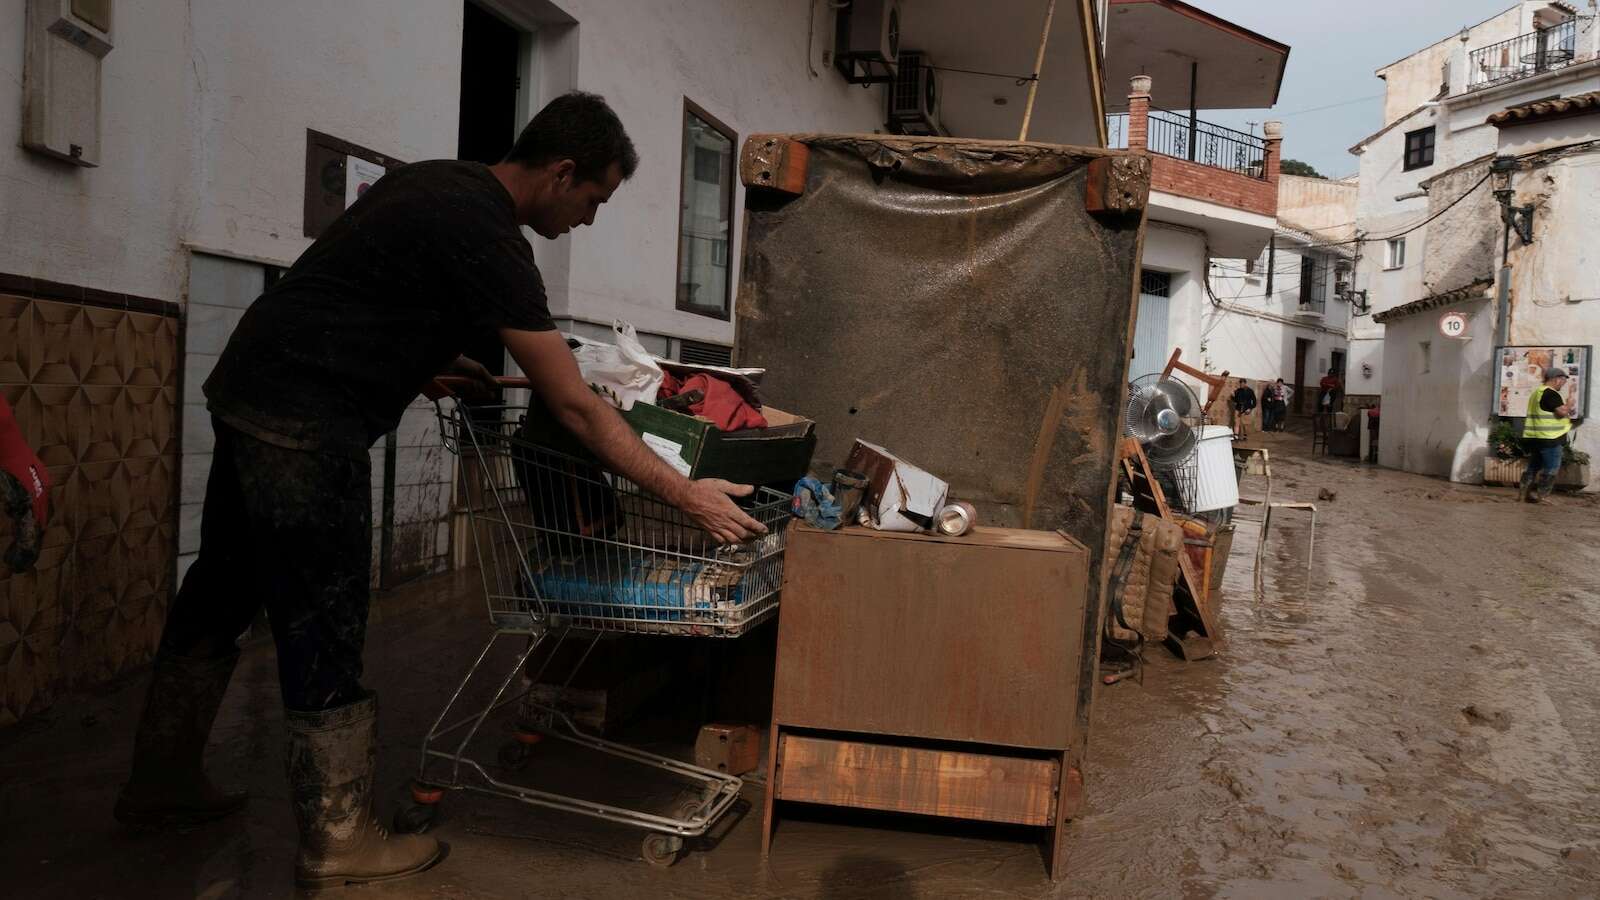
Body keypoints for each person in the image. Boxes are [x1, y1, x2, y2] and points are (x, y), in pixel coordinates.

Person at [114, 92, 765, 890]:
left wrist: (414, 362)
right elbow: (571, 404)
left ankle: (159, 784)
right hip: (308, 424)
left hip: (253, 391)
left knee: (219, 591)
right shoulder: (490, 237)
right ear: (561, 172)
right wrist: (685, 494)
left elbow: (360, 294)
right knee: (325, 619)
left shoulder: (440, 183)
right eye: (594, 198)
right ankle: (339, 844)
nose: (590, 219)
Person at [1519, 366, 1576, 503]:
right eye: (1563, 380)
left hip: (1536, 437)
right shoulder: (1551, 393)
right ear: (1556, 379)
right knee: (1551, 467)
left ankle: (1523, 494)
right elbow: (1561, 412)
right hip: (1550, 438)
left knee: (1533, 466)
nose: (1563, 384)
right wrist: (1570, 402)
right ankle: (1543, 496)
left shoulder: (1537, 392)